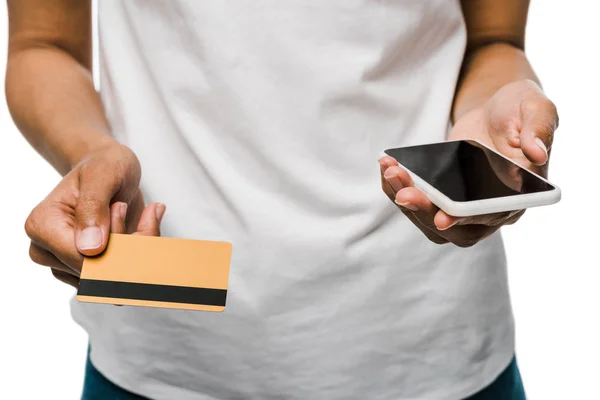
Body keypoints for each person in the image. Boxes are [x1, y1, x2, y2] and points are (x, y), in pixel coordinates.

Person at [5, 1, 558, 399]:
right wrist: (90, 153)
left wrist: (488, 129)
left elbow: (494, 39)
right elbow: (44, 46)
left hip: (431, 343)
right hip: (164, 334)